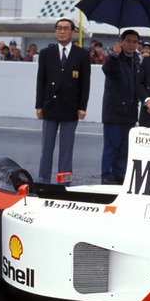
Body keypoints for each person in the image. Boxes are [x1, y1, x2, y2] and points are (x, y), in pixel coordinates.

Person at [35, 18, 91, 183]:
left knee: (66, 149)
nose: (62, 31)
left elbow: (85, 83)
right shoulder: (46, 53)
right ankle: (43, 179)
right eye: (59, 28)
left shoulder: (82, 54)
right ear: (55, 31)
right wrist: (39, 105)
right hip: (50, 105)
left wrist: (82, 107)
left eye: (66, 28)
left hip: (71, 106)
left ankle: (64, 181)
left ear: (73, 32)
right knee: (46, 147)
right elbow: (41, 81)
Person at [101, 30, 141, 184]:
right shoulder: (115, 58)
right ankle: (106, 174)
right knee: (112, 146)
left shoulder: (136, 59)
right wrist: (114, 55)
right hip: (114, 110)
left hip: (130, 110)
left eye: (134, 42)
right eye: (128, 41)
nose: (131, 44)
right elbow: (107, 70)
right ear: (122, 41)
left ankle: (120, 173)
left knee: (124, 147)